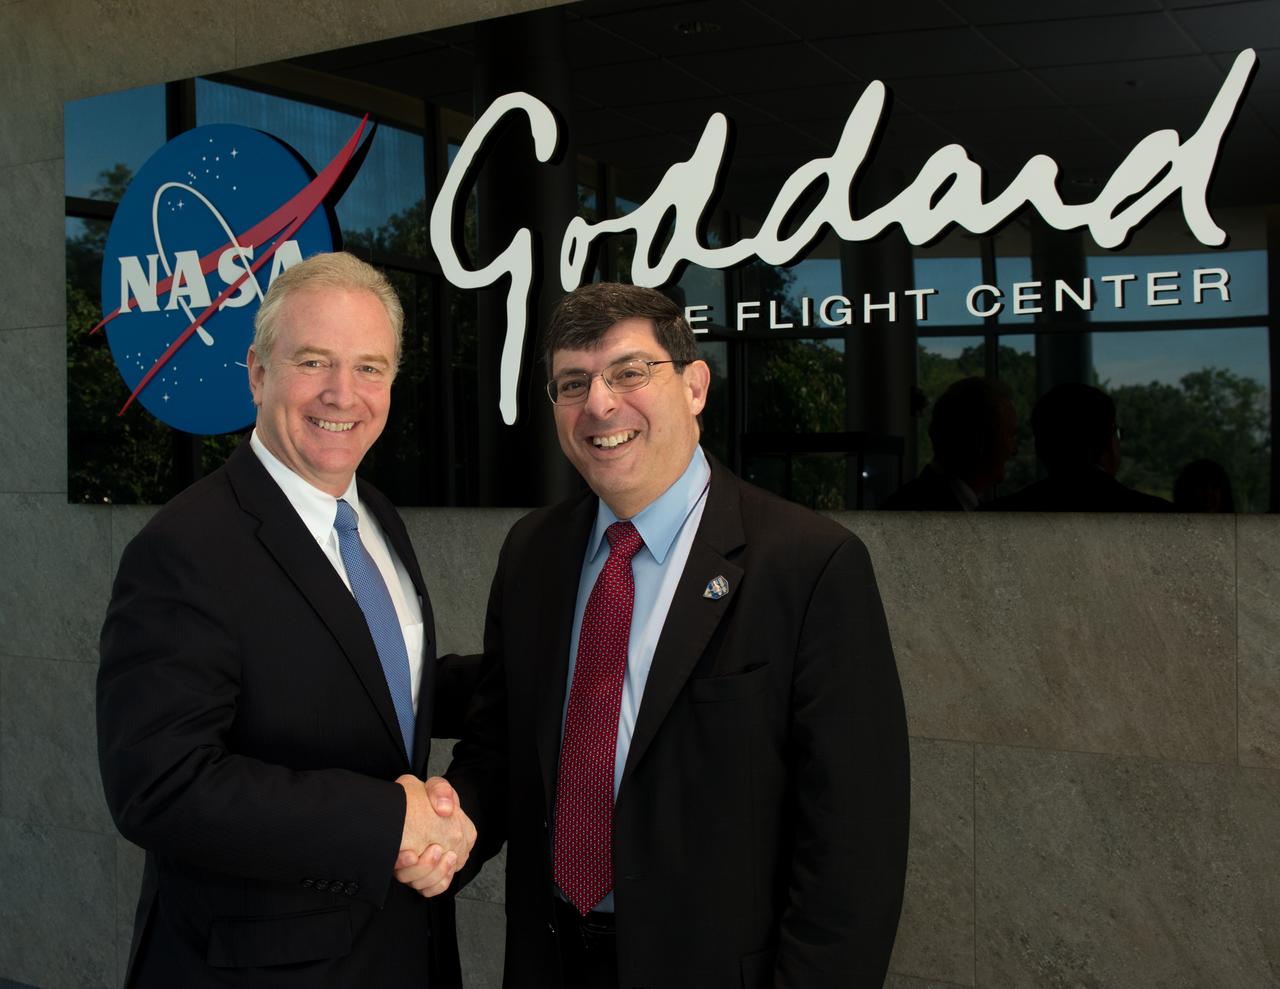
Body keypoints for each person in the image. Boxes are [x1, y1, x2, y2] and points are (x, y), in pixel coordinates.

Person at [414, 282, 910, 988]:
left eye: (629, 372)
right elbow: (502, 744)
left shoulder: (807, 566)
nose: (600, 404)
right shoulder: (533, 552)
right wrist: (451, 828)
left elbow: (854, 847)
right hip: (550, 960)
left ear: (695, 385)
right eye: (573, 382)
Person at [98, 252, 475, 988]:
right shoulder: (185, 547)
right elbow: (161, 782)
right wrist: (385, 818)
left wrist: (550, 660)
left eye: (370, 367)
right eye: (314, 361)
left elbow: (370, 682)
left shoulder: (376, 518)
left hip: (400, 948)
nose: (344, 392)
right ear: (258, 372)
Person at [987, 382, 1172, 512]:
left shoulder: (995, 517)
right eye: (1117, 433)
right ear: (1108, 440)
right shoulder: (1160, 516)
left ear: (1040, 447)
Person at [882, 375, 1018, 511]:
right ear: (980, 441)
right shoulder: (919, 511)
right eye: (1010, 435)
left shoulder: (909, 503)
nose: (1014, 450)